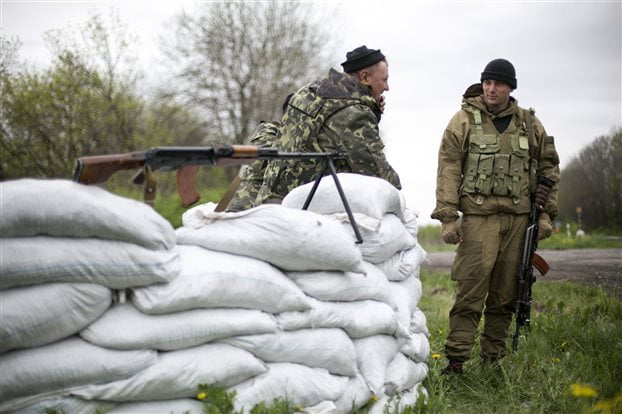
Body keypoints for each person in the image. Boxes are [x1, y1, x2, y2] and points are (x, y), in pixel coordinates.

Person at [431, 58, 560, 374]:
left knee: (505, 295)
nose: (492, 88)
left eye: (499, 83)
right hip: (478, 219)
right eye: (488, 82)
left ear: (510, 87)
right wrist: (448, 217)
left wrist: (546, 216)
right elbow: (448, 168)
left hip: (519, 220)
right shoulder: (462, 120)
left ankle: (493, 361)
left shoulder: (530, 124)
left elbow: (548, 169)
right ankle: (456, 361)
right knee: (470, 293)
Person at [254, 45, 401, 206]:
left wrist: (373, 110)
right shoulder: (354, 113)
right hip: (301, 207)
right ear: (365, 77)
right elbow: (377, 173)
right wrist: (399, 194)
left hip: (270, 198)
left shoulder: (310, 91)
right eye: (384, 80)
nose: (387, 87)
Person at [225, 94, 293, 212]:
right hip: (247, 206)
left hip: (259, 207)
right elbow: (271, 158)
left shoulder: (283, 135)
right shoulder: (267, 130)